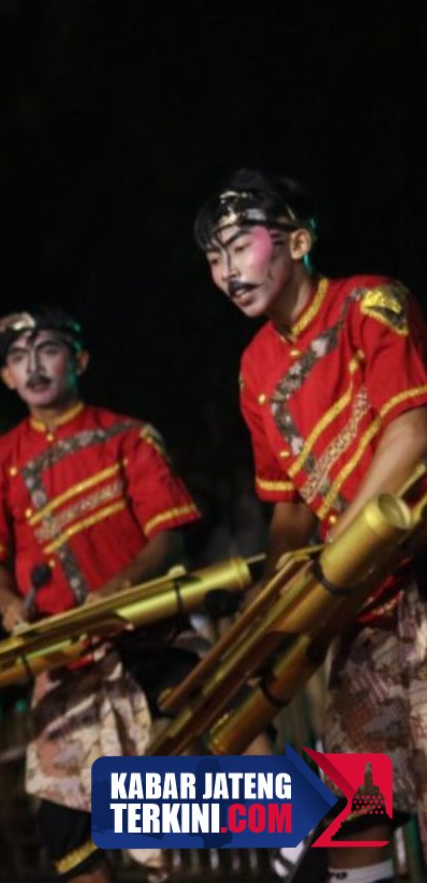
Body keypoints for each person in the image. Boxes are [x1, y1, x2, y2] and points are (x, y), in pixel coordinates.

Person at [196, 168, 427, 883]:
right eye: (213, 257)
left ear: (297, 239)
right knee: (359, 810)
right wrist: (273, 599)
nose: (228, 270)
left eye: (240, 245)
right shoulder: (254, 369)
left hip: (420, 581)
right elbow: (290, 505)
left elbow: (413, 435)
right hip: (362, 609)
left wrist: (334, 561)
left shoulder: (371, 304)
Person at [0, 307, 201, 883]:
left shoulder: (128, 437)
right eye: (19, 358)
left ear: (79, 361)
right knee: (64, 827)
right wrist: (8, 605)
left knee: (239, 751)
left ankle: (318, 842)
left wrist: (121, 584)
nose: (34, 367)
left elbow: (167, 534)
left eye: (48, 350)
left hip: (147, 641)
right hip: (65, 660)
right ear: (7, 378)